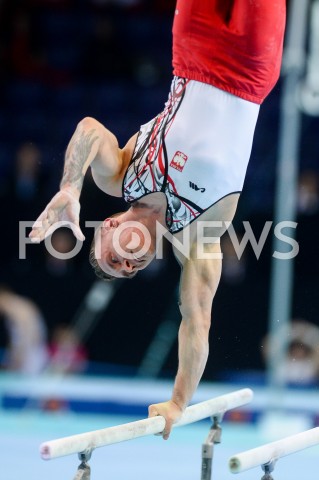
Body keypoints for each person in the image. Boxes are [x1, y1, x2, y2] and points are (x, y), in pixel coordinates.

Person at [29, 1, 286, 439]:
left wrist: (71, 186)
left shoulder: (120, 177)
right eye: (129, 270)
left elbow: (90, 128)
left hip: (192, 51)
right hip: (250, 70)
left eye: (114, 261)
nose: (128, 266)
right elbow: (196, 322)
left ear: (108, 225)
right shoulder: (198, 235)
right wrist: (179, 401)